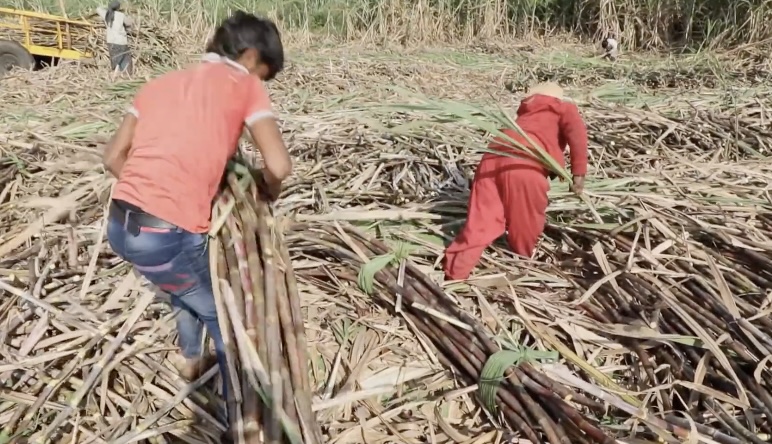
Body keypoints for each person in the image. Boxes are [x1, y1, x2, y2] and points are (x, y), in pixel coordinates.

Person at [100, 10, 291, 428]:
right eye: (264, 71)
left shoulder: (156, 85)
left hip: (120, 225)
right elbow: (278, 165)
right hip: (166, 234)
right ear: (251, 56)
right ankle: (235, 409)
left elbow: (112, 157)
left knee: (182, 285)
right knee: (222, 316)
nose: (261, 80)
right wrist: (265, 195)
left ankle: (189, 358)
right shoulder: (245, 86)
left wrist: (152, 190)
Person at [443, 82, 588, 281]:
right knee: (525, 220)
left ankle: (455, 273)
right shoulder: (563, 108)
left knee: (481, 221)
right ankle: (522, 263)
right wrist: (578, 175)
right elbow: (578, 135)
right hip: (524, 164)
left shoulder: (523, 115)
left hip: (492, 157)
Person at [96, 1, 134, 74]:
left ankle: (115, 74)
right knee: (124, 59)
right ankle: (124, 75)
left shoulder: (106, 14)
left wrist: (108, 8)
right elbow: (129, 23)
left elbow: (98, 9)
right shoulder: (121, 15)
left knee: (115, 59)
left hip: (110, 41)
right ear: (118, 7)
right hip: (121, 41)